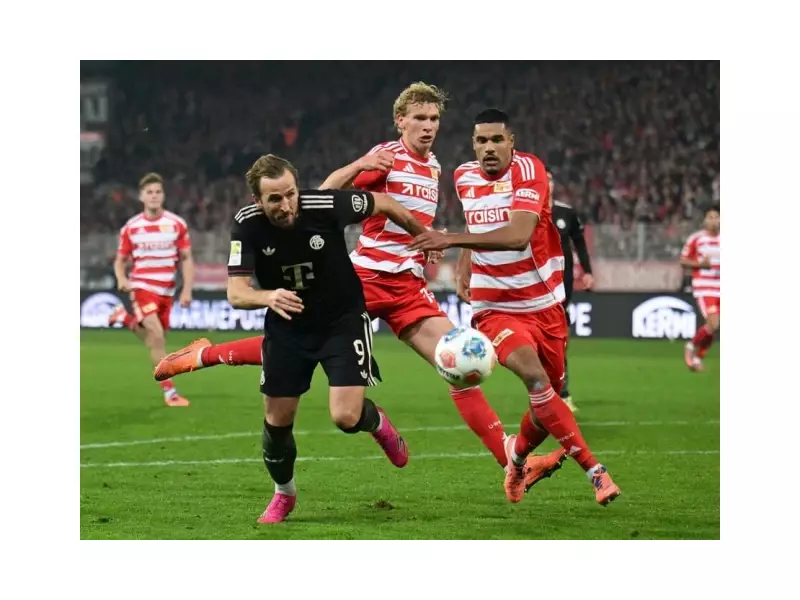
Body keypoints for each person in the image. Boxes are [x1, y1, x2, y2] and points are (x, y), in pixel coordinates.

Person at [155, 83, 566, 491]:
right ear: (400, 121)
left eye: (434, 118)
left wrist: (427, 242)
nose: (428, 126)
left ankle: (511, 463)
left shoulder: (434, 166)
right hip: (364, 280)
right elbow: (323, 196)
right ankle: (204, 354)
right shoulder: (387, 157)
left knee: (456, 364)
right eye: (419, 118)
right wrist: (360, 164)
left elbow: (410, 222)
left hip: (408, 288)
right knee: (298, 340)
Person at [410, 108, 621, 506]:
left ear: (511, 142)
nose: (488, 148)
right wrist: (464, 267)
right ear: (473, 145)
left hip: (544, 304)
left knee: (545, 402)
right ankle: (595, 471)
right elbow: (475, 224)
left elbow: (518, 235)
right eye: (481, 141)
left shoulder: (529, 170)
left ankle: (519, 462)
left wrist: (450, 241)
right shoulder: (463, 175)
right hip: (494, 307)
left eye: (496, 139)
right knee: (536, 380)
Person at [232, 154, 427, 524]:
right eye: (274, 199)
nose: (286, 205)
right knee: (276, 423)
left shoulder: (324, 205)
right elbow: (236, 291)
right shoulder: (247, 224)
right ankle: (284, 493)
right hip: (288, 327)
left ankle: (377, 422)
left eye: (291, 194)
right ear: (257, 200)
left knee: (345, 416)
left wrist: (422, 236)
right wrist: (268, 296)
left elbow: (383, 202)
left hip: (342, 321)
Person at [109, 172, 194, 407]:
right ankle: (170, 393)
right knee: (156, 336)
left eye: (158, 192)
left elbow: (187, 258)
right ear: (141, 197)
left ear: (163, 195)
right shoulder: (131, 227)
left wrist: (187, 289)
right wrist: (121, 278)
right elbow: (120, 260)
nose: (154, 196)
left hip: (167, 291)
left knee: (156, 341)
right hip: (142, 287)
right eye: (149, 192)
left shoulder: (177, 224)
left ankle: (124, 319)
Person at [549, 171, 594, 413]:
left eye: (549, 179)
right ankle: (543, 392)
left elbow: (579, 243)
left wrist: (587, 271)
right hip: (532, 284)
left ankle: (563, 393)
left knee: (560, 339)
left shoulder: (565, 212)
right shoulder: (524, 211)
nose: (546, 183)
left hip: (561, 286)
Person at [680, 205, 720, 372]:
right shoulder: (696, 239)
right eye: (710, 217)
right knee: (713, 323)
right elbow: (683, 261)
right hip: (705, 287)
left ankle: (697, 358)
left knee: (712, 328)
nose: (714, 221)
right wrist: (700, 265)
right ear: (704, 221)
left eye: (717, 217)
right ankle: (690, 347)